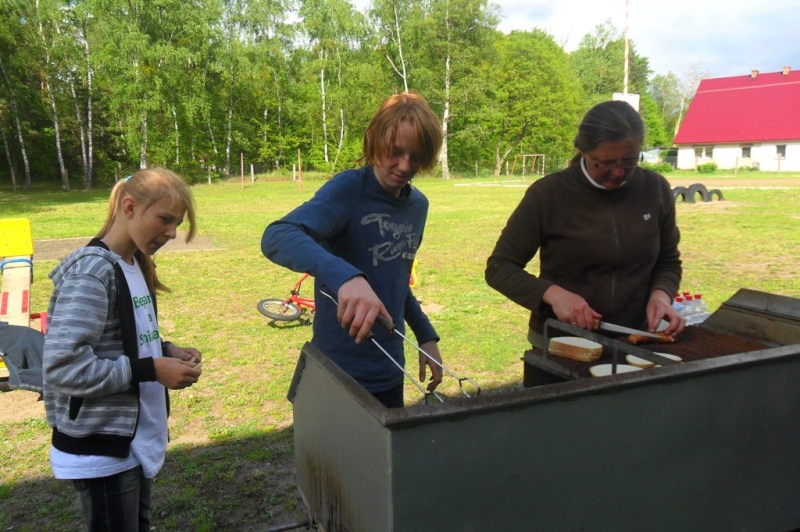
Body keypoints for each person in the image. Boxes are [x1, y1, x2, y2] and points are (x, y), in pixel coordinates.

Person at [42, 168, 202, 532]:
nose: (172, 233)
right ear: (129, 207)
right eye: (164, 219)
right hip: (102, 452)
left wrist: (165, 348)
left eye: (176, 224)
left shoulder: (134, 264)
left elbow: (120, 339)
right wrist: (151, 369)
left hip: (130, 444)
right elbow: (62, 368)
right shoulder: (92, 274)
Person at [262, 92, 444, 408]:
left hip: (389, 369)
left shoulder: (418, 207)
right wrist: (345, 276)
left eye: (415, 157)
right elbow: (278, 234)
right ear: (373, 140)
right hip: (338, 373)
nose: (404, 166)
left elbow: (397, 281)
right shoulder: (349, 190)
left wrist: (425, 336)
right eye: (395, 152)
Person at [485, 100, 685, 349]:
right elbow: (499, 268)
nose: (619, 172)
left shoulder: (654, 188)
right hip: (562, 343)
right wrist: (553, 294)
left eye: (630, 160)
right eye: (606, 162)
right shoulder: (548, 194)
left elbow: (668, 261)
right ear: (584, 150)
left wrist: (661, 296)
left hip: (636, 340)